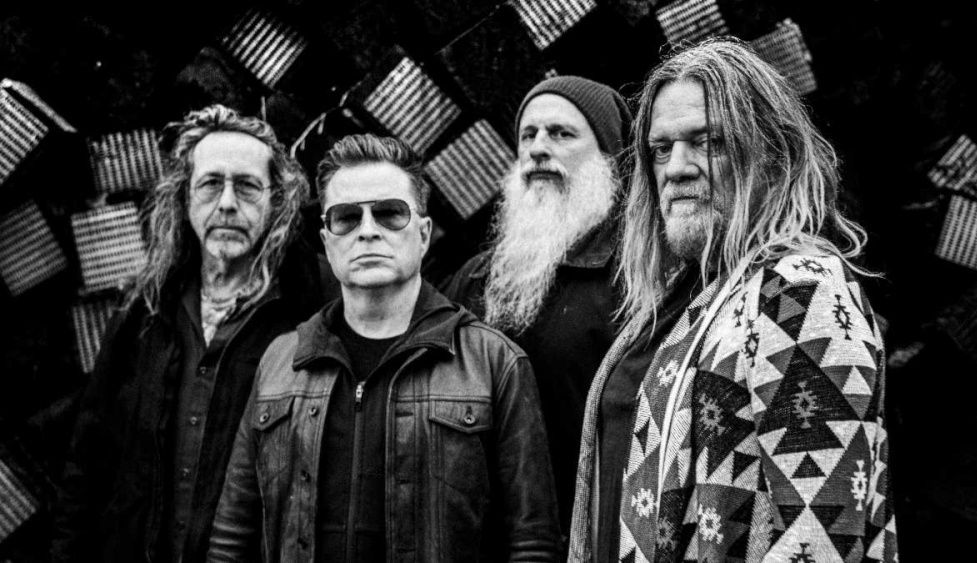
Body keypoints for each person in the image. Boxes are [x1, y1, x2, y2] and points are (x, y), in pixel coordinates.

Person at [568, 38, 897, 562]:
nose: (677, 168)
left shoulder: (800, 287)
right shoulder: (683, 298)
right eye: (661, 148)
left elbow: (823, 535)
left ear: (772, 154)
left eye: (710, 142)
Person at [209, 134, 560, 562]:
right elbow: (233, 535)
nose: (368, 231)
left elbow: (532, 542)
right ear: (327, 241)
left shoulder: (493, 363)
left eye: (390, 213)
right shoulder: (282, 361)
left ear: (424, 234)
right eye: (346, 217)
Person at [51, 105, 332, 562]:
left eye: (247, 186)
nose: (227, 203)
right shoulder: (145, 308)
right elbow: (89, 458)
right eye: (210, 184)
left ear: (276, 202)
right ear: (185, 198)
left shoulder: (312, 312)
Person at [444, 75, 632, 538]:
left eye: (561, 134)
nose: (538, 149)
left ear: (609, 157)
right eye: (528, 135)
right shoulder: (474, 278)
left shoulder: (638, 276)